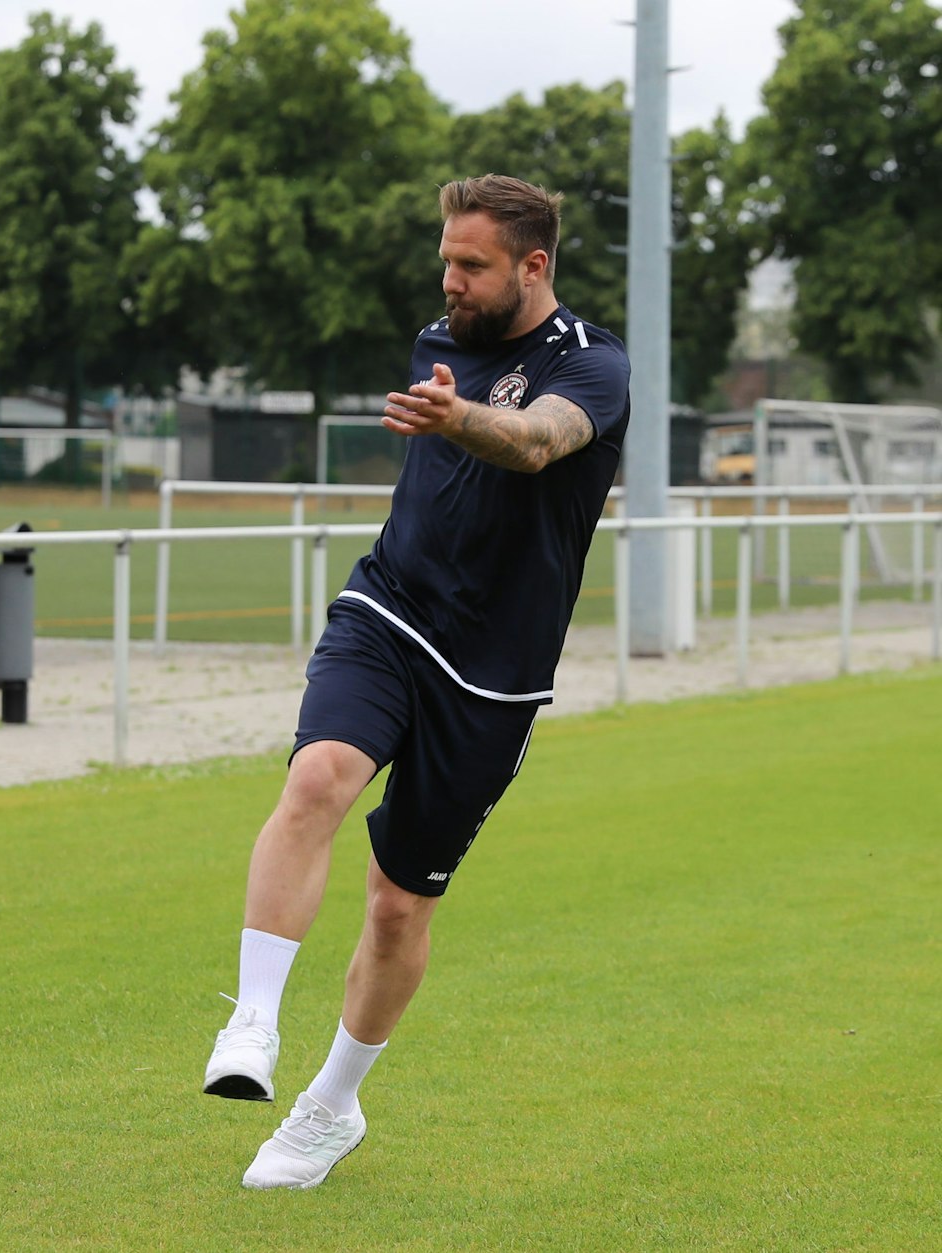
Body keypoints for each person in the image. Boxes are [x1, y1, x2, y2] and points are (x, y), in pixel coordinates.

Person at [200, 174, 632, 1190]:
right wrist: (450, 402)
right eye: (445, 257)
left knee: (397, 904)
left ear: (531, 266)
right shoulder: (436, 341)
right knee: (316, 777)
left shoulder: (595, 364)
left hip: (491, 677)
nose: (449, 278)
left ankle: (330, 1105)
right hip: (388, 610)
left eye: (470, 263)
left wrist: (458, 419)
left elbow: (534, 442)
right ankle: (250, 1021)